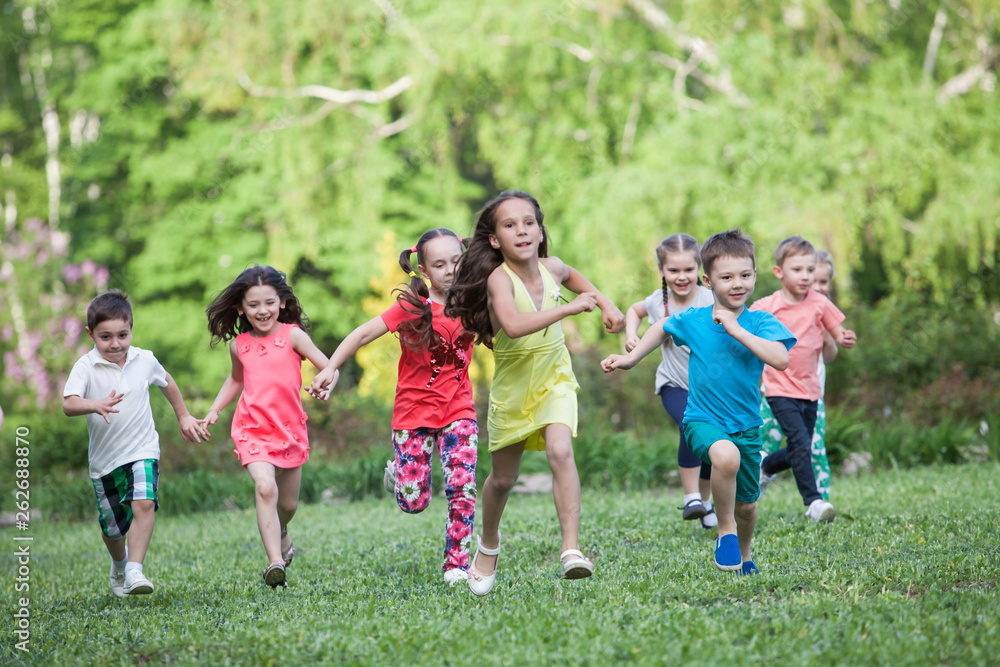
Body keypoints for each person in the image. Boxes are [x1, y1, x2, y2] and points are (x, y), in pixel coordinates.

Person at [445, 190, 625, 596]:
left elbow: (579, 280)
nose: (521, 231)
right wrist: (569, 308)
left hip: (555, 376)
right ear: (495, 240)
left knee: (561, 452)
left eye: (528, 222)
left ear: (540, 230)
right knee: (504, 479)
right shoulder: (498, 279)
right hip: (513, 388)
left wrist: (607, 304)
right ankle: (488, 543)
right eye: (509, 225)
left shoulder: (554, 268)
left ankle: (571, 550)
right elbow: (512, 325)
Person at [602, 230, 794, 575]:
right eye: (727, 277)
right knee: (724, 456)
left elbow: (780, 358)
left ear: (755, 274)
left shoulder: (760, 322)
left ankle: (745, 554)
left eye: (745, 275)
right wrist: (631, 359)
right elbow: (661, 327)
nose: (738, 284)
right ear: (708, 280)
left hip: (747, 426)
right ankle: (724, 531)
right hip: (702, 419)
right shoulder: (695, 320)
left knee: (748, 507)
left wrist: (737, 330)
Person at [308, 229, 478, 587]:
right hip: (413, 414)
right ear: (424, 271)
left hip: (459, 411)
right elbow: (362, 335)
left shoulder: (474, 302)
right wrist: (330, 367)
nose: (450, 270)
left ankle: (457, 565)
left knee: (462, 487)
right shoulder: (411, 307)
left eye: (456, 261)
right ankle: (400, 478)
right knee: (414, 501)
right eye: (440, 264)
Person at [63, 289, 207, 597]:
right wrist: (95, 404)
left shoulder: (144, 359)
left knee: (144, 502)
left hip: (143, 450)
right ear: (90, 334)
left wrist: (183, 415)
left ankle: (134, 570)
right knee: (112, 528)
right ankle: (119, 564)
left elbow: (167, 381)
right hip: (104, 461)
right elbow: (69, 404)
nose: (115, 344)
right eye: (105, 337)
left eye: (122, 335)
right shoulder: (86, 366)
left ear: (131, 329)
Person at [201, 266, 329, 588]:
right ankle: (275, 563)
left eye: (269, 303)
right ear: (241, 308)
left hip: (290, 431)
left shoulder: (293, 336)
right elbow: (236, 379)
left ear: (282, 302)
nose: (263, 311)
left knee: (287, 505)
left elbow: (329, 366)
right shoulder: (239, 346)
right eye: (254, 304)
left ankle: (282, 531)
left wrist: (326, 383)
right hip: (252, 429)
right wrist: (215, 409)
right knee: (265, 487)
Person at [752, 238, 856, 523]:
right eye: (797, 269)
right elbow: (743, 328)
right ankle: (813, 502)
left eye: (810, 270)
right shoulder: (767, 305)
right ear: (778, 272)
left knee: (802, 447)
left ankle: (766, 465)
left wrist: (844, 337)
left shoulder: (820, 303)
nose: (806, 276)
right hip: (779, 388)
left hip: (811, 390)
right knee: (800, 441)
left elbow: (837, 333)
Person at [623, 233, 716, 529]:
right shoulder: (658, 301)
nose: (682, 276)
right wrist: (631, 335)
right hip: (673, 384)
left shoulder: (711, 299)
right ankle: (691, 497)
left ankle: (707, 502)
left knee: (713, 446)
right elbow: (634, 311)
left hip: (711, 390)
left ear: (699, 268)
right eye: (673, 270)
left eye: (688, 270)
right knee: (690, 425)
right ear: (662, 270)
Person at [759, 250, 838, 500]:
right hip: (774, 393)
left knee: (812, 448)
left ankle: (820, 503)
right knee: (764, 446)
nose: (815, 287)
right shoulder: (782, 307)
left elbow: (829, 357)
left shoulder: (821, 311)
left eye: (822, 281)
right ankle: (747, 495)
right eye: (812, 281)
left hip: (811, 394)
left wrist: (828, 336)